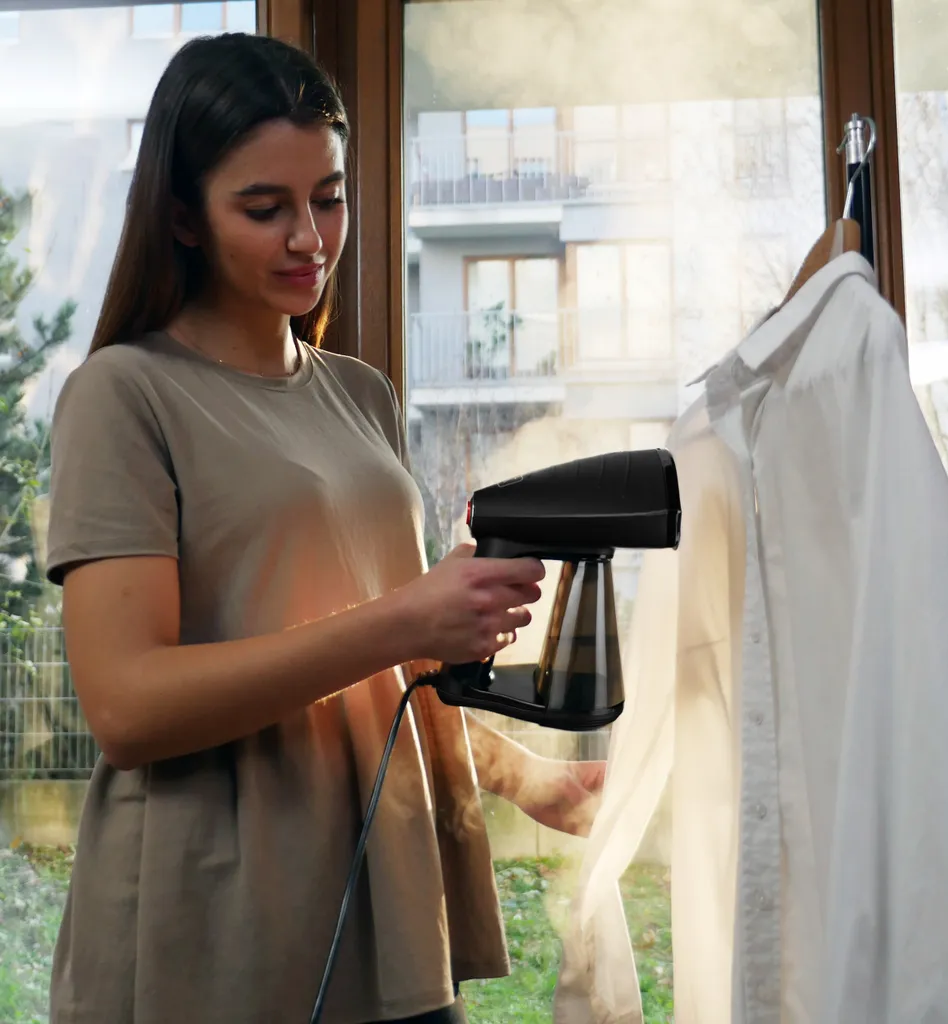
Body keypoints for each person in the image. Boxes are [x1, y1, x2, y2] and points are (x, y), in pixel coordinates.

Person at [45, 33, 605, 1024]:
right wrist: (410, 616)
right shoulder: (123, 395)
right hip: (214, 918)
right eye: (265, 208)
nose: (310, 237)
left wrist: (527, 778)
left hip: (387, 890)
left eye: (329, 198)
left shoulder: (360, 395)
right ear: (181, 216)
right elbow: (126, 709)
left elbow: (387, 678)